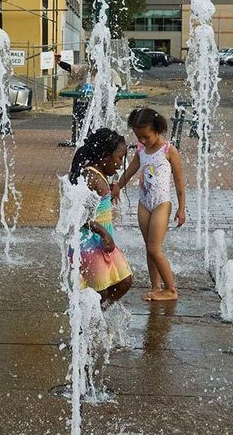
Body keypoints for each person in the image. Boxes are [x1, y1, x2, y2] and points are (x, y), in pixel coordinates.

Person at [115, 107, 185, 301]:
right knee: (149, 248)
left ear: (158, 129)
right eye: (139, 137)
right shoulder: (141, 151)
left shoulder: (168, 150)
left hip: (162, 203)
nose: (143, 141)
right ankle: (156, 286)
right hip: (144, 203)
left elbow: (179, 181)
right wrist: (117, 188)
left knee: (155, 248)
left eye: (146, 136)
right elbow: (129, 172)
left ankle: (171, 290)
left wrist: (181, 208)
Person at [68, 128, 133, 307]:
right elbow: (79, 216)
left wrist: (112, 192)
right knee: (98, 291)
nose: (121, 164)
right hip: (89, 241)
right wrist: (103, 233)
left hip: (102, 240)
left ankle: (98, 315)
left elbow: (99, 205)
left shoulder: (100, 176)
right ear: (105, 156)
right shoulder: (91, 178)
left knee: (124, 281)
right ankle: (87, 325)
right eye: (119, 158)